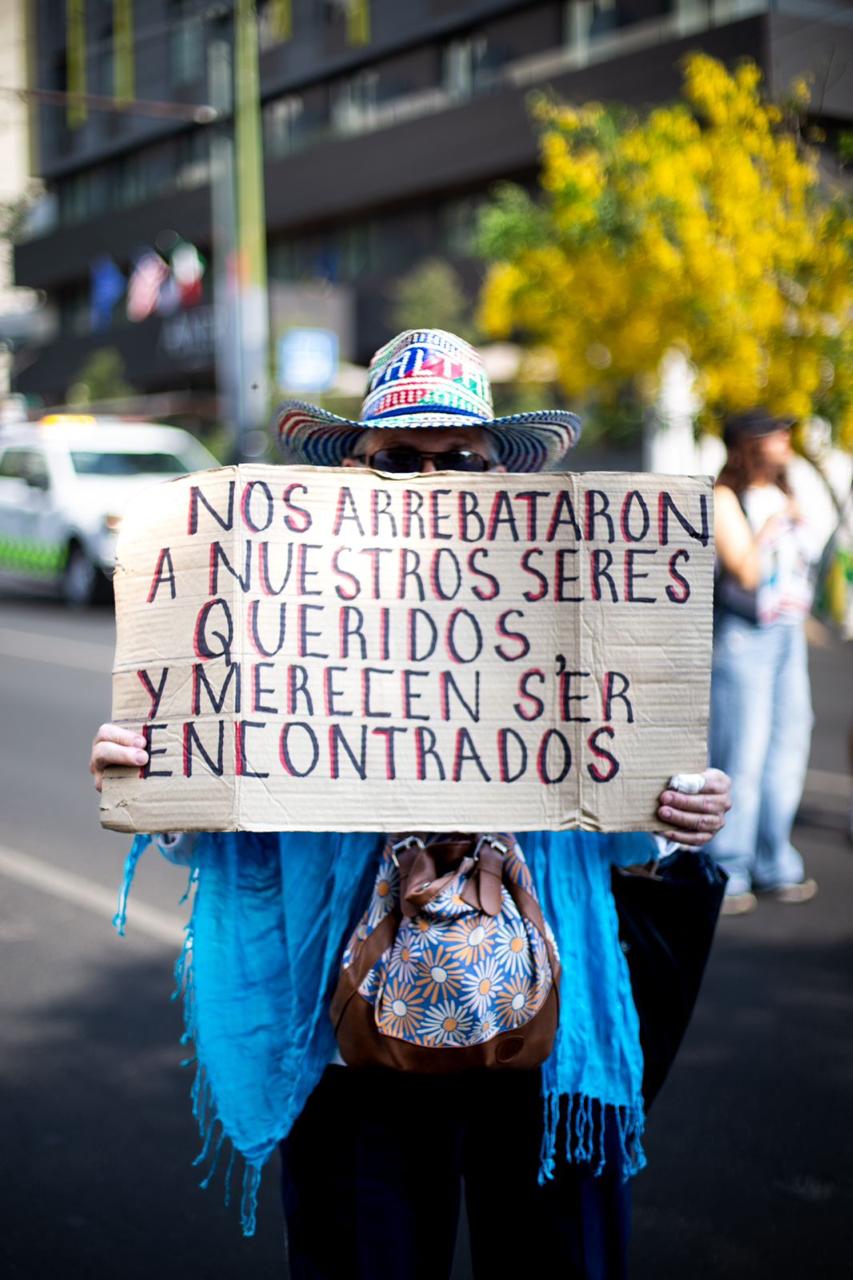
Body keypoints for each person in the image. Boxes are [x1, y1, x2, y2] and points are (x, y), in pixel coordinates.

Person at [90, 330, 731, 1279]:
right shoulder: (284, 597)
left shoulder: (558, 593)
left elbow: (618, 781)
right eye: (397, 459)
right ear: (353, 467)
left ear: (494, 471)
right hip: (352, 1040)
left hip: (541, 1028)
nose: (431, 480)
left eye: (460, 461)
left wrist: (682, 806)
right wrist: (160, 770)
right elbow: (228, 806)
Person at [708, 408, 820, 916]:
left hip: (786, 632)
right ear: (749, 443)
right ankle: (728, 868)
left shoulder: (787, 488)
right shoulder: (724, 497)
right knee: (742, 753)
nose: (786, 440)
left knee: (789, 742)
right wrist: (774, 525)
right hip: (743, 636)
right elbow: (748, 575)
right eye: (776, 434)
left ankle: (775, 860)